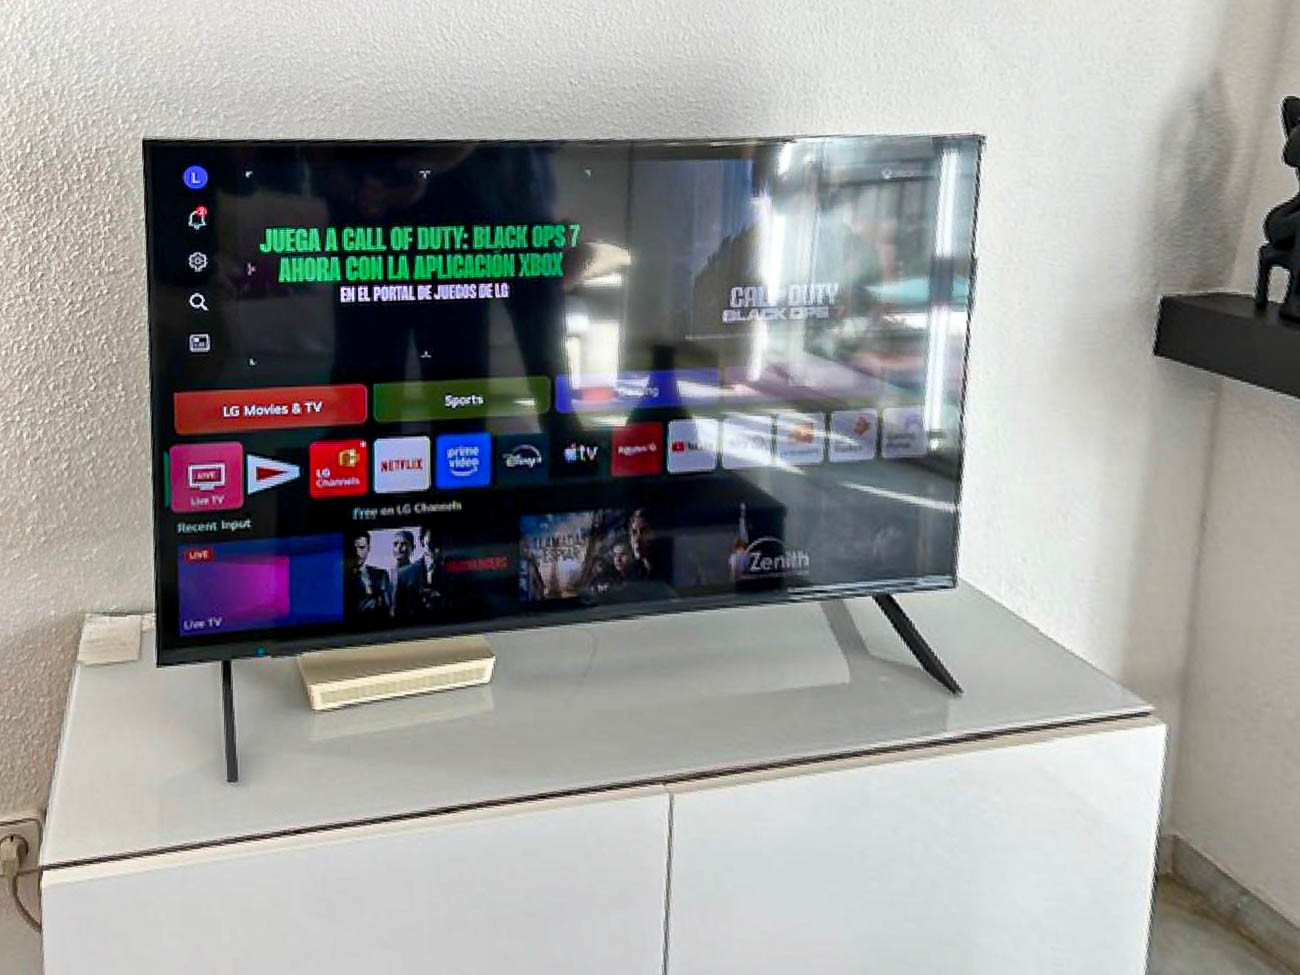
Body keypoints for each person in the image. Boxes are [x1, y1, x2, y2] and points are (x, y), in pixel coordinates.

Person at [394, 526, 445, 620]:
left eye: (439, 543)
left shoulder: (454, 570)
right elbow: (398, 612)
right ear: (422, 542)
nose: (436, 549)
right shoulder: (404, 575)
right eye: (431, 543)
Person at [345, 531, 392, 621]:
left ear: (368, 548)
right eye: (353, 548)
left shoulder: (381, 575)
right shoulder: (340, 578)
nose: (357, 553)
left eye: (361, 548)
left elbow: (387, 606)